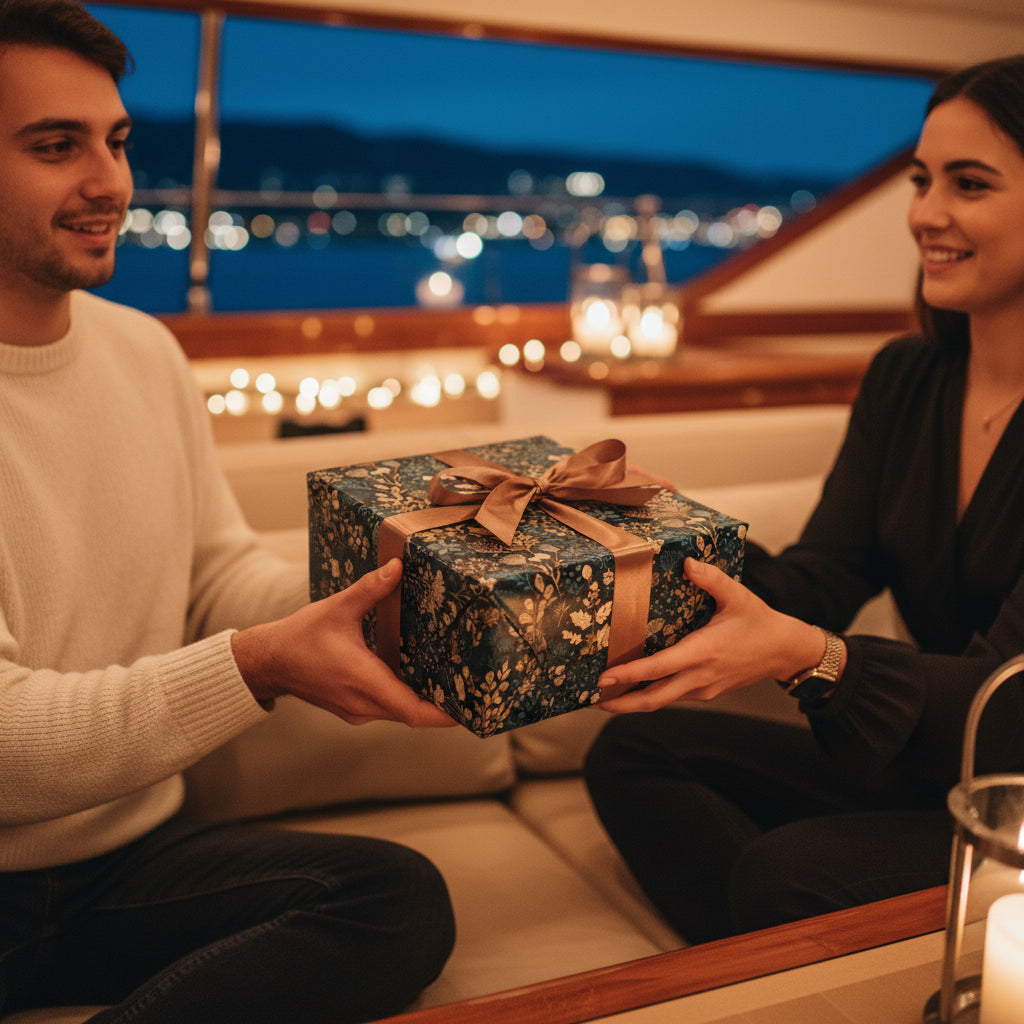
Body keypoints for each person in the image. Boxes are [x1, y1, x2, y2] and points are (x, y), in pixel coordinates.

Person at [0, 1, 457, 1020]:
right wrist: (257, 665)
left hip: (132, 856)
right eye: (54, 146)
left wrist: (393, 575)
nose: (109, 181)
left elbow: (217, 575)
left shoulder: (145, 352)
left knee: (397, 900)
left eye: (115, 141)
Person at [584, 54, 1024, 945]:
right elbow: (822, 575)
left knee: (790, 875)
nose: (925, 214)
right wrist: (675, 535)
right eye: (921, 179)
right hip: (933, 767)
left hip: (1015, 786)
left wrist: (816, 659)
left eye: (969, 184)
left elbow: (1008, 714)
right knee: (636, 750)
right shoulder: (907, 378)